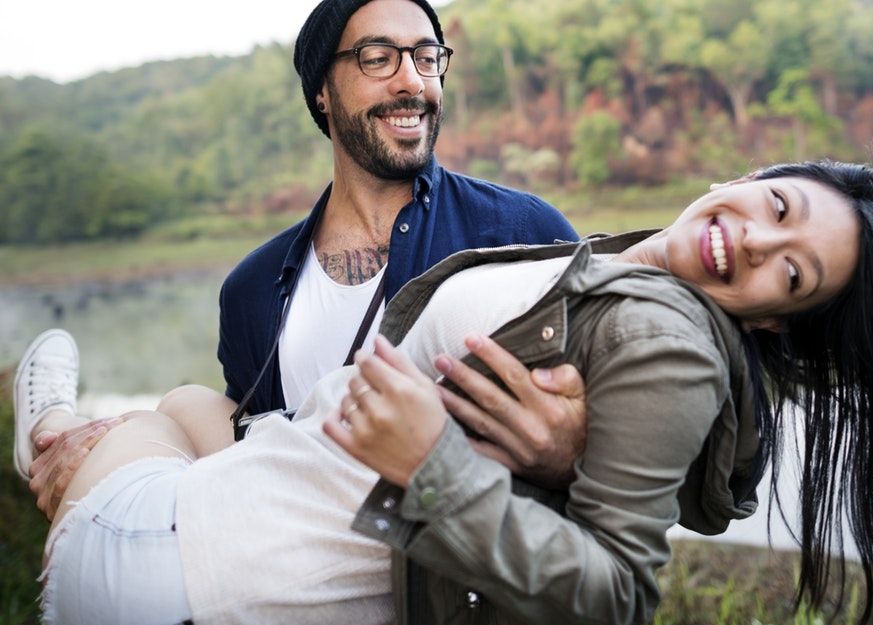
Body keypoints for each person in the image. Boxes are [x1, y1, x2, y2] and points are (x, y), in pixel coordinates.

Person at [14, 156, 873, 625]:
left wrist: (434, 465)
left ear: (773, 322)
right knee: (198, 407)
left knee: (113, 432)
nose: (752, 237)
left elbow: (621, 595)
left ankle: (53, 430)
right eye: (775, 201)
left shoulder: (662, 333)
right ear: (757, 170)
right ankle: (105, 439)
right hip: (220, 532)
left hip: (168, 577)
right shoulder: (650, 280)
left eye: (790, 272)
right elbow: (674, 433)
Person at [24, 0, 593, 515]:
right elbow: (245, 453)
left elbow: (623, 420)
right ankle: (60, 431)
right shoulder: (251, 289)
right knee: (181, 411)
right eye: (378, 58)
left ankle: (51, 424)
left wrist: (568, 452)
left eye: (426, 57)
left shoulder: (521, 232)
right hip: (294, 561)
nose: (411, 81)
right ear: (322, 89)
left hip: (452, 580)